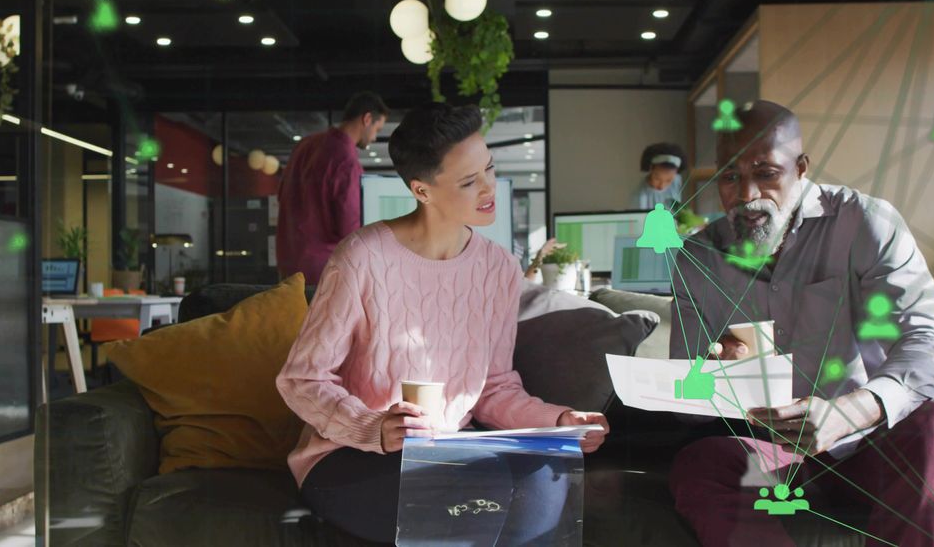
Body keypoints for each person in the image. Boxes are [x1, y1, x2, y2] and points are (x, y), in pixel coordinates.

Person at [276, 102, 609, 544]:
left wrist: (560, 420)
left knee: (547, 483)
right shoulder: (362, 258)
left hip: (448, 451)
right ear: (422, 190)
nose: (489, 188)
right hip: (353, 453)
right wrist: (373, 426)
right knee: (475, 507)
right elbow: (301, 378)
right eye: (470, 181)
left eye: (489, 169)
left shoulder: (499, 269)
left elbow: (493, 387)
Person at [666, 100, 934, 547]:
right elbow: (686, 401)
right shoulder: (697, 260)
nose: (746, 195)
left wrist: (852, 411)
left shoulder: (865, 223)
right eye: (730, 176)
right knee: (701, 463)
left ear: (800, 168)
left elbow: (930, 340)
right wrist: (711, 370)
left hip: (866, 442)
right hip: (769, 453)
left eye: (766, 173)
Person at [275, 91, 389, 290]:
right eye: (376, 129)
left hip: (288, 264)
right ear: (367, 118)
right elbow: (349, 227)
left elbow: (282, 195)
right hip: (323, 270)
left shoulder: (304, 145)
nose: (374, 137)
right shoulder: (346, 159)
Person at [629, 142, 687, 210]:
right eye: (657, 179)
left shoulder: (677, 181)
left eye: (669, 180)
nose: (662, 186)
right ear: (651, 169)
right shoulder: (640, 195)